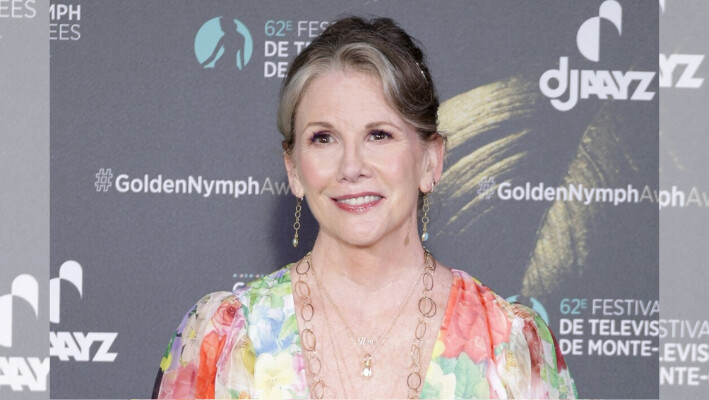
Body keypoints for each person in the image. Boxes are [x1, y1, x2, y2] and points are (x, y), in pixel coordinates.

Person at [153, 16, 577, 399]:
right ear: (294, 168)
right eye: (324, 138)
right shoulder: (224, 338)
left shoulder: (510, 344)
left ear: (431, 160)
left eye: (379, 134)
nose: (351, 167)